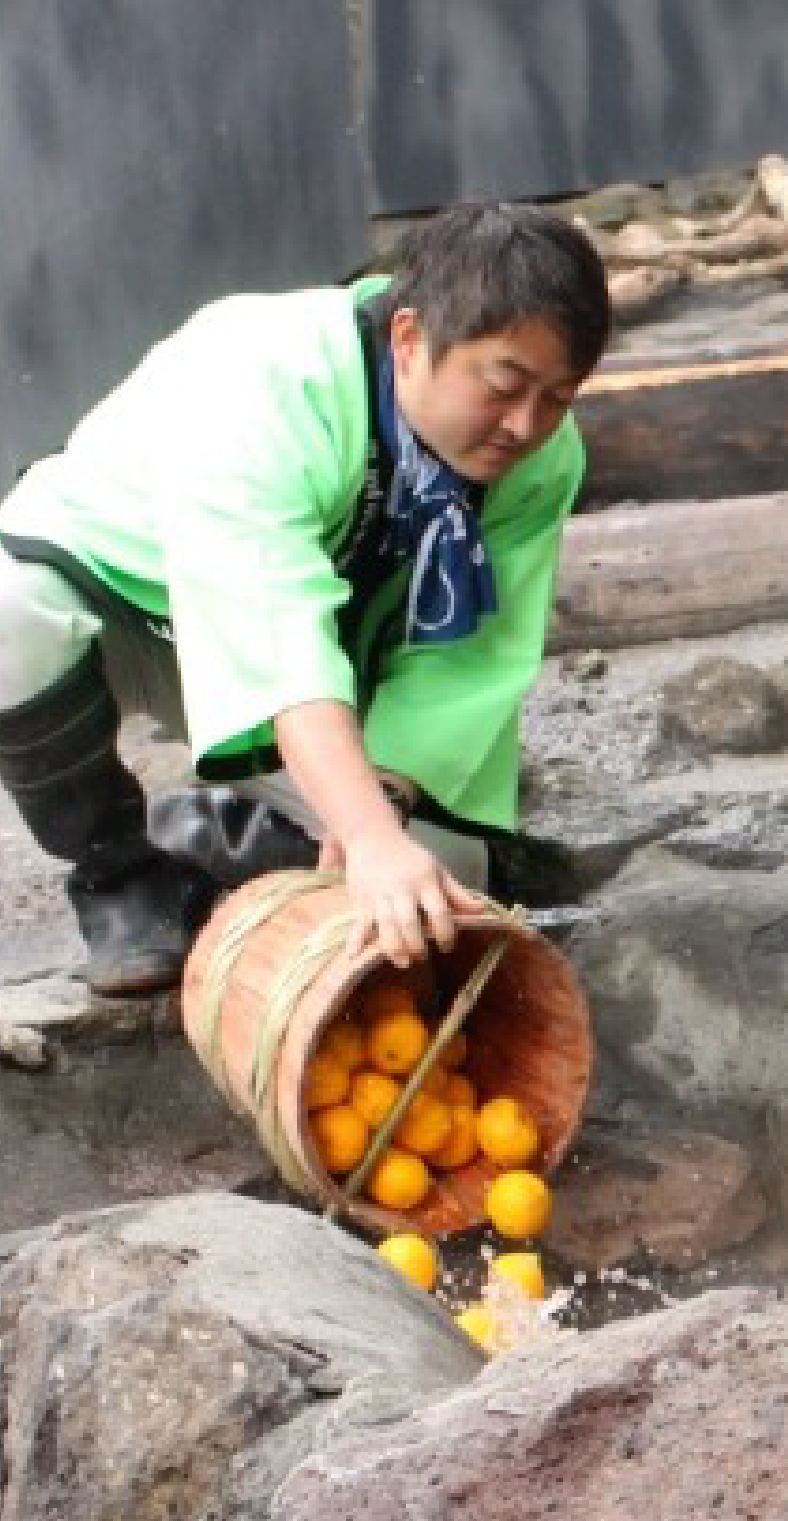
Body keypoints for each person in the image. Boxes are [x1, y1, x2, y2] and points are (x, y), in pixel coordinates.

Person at [0, 203, 610, 995]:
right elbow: (274, 627)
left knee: (447, 877)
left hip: (312, 654)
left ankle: (224, 841)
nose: (527, 425)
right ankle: (120, 877)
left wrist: (383, 807)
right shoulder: (266, 381)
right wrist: (361, 832)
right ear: (409, 339)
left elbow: (470, 659)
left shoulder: (541, 457)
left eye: (559, 396)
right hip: (125, 607)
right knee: (10, 616)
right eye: (504, 385)